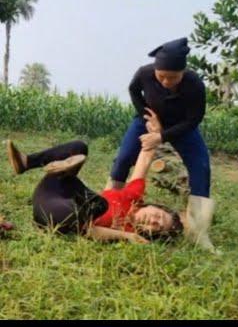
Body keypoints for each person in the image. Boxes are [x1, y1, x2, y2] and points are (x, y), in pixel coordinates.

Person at [108, 37, 215, 250]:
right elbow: (133, 90)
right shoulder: (145, 73)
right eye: (162, 76)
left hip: (182, 127)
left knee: (201, 168)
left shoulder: (194, 84)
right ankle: (110, 206)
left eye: (172, 77)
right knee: (123, 158)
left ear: (182, 73)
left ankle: (198, 232)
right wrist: (147, 117)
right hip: (147, 122)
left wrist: (161, 135)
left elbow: (194, 120)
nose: (166, 82)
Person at [6, 130, 182, 244]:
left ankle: (69, 169)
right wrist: (156, 132)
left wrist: (128, 236)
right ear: (153, 206)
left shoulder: (127, 231)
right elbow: (144, 160)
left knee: (97, 206)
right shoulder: (133, 195)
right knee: (78, 147)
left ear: (150, 234)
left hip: (57, 214)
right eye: (158, 216)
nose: (153, 220)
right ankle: (27, 162)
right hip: (52, 192)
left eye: (157, 227)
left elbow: (89, 231)